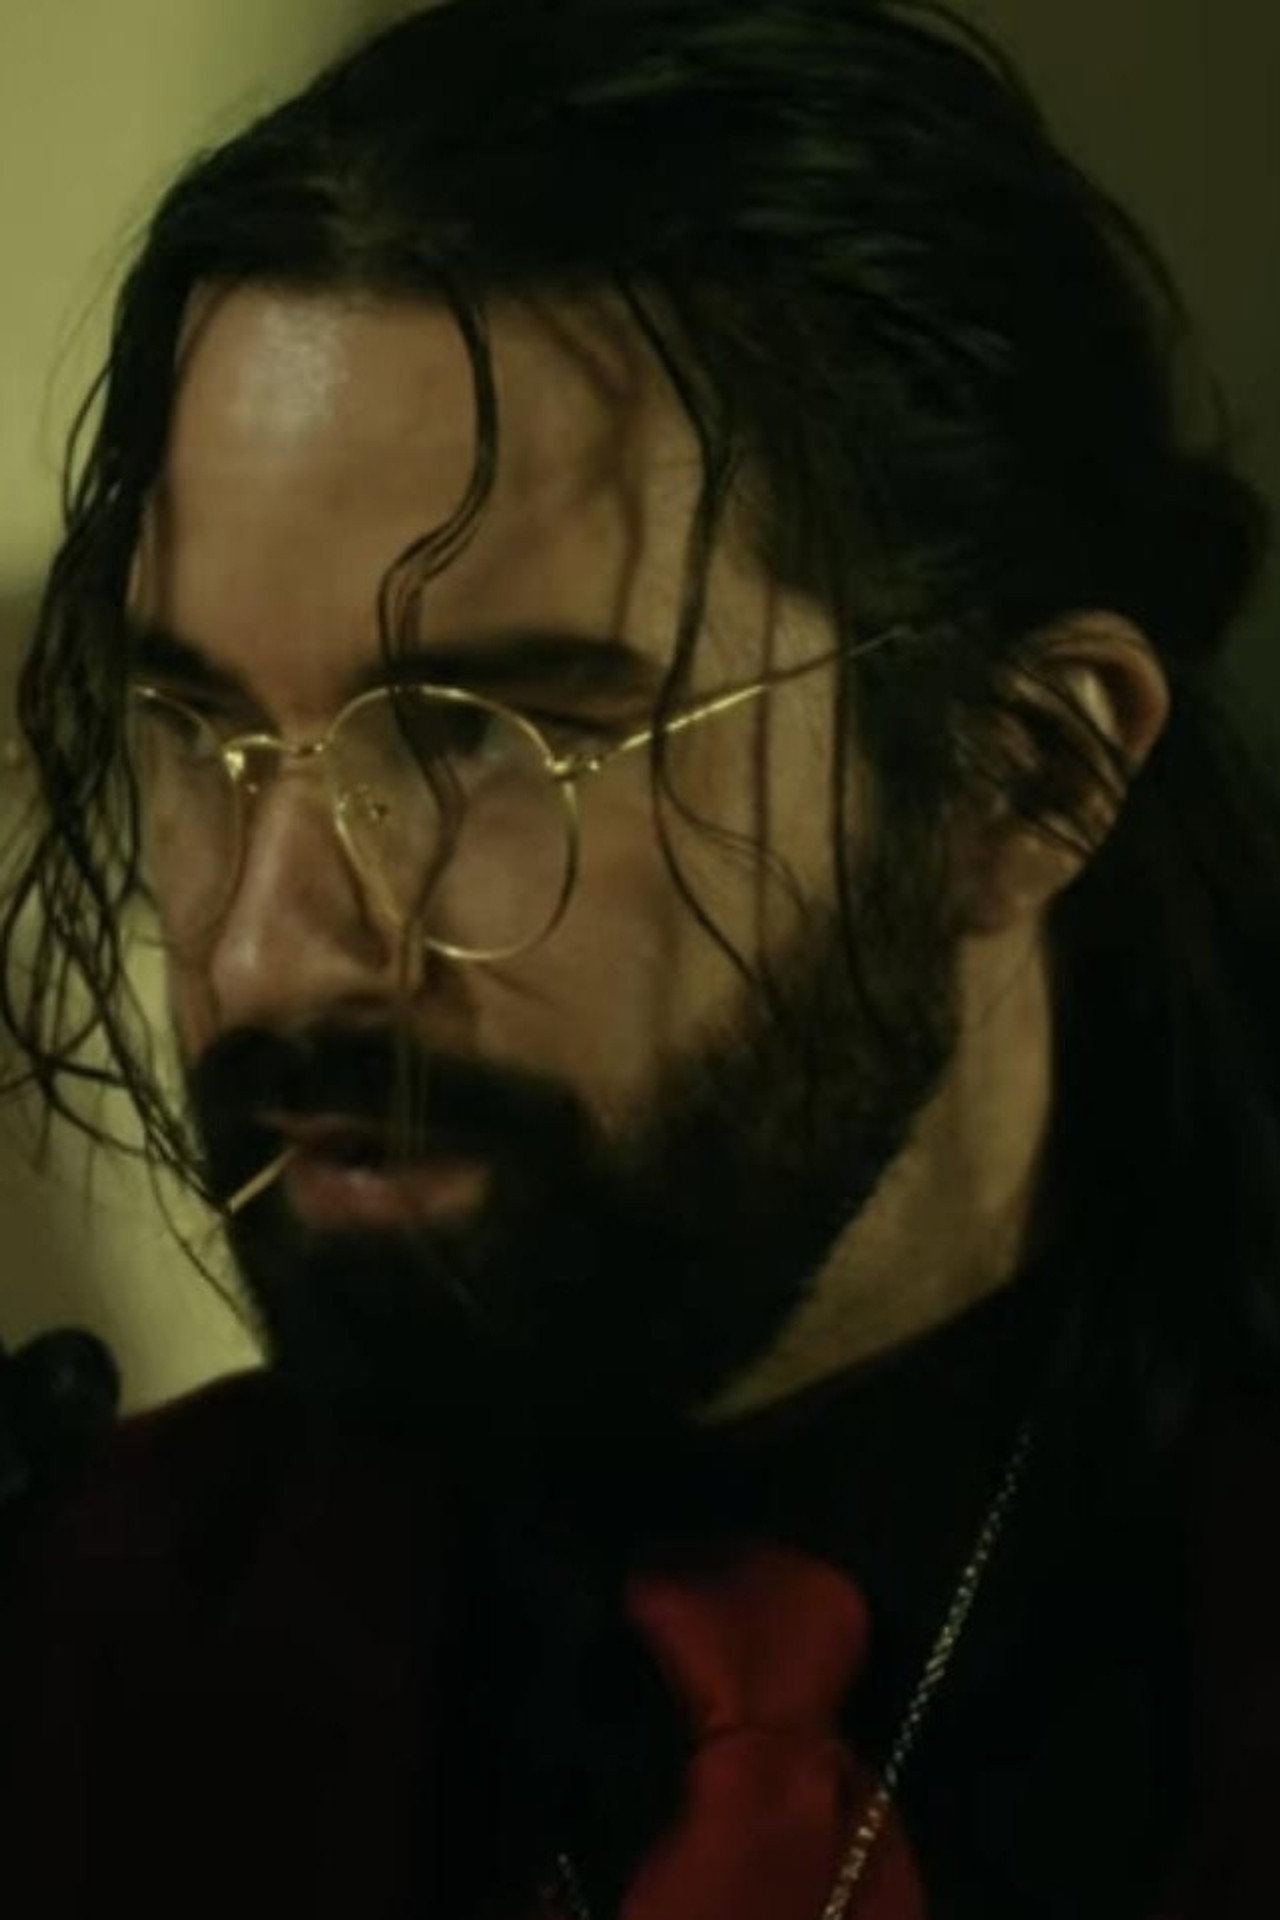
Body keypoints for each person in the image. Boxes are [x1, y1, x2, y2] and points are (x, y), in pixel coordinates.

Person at [1, 1, 1278, 1913]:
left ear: (1025, 773)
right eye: (202, 731)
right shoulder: (83, 1654)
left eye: (477, 737)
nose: (263, 953)